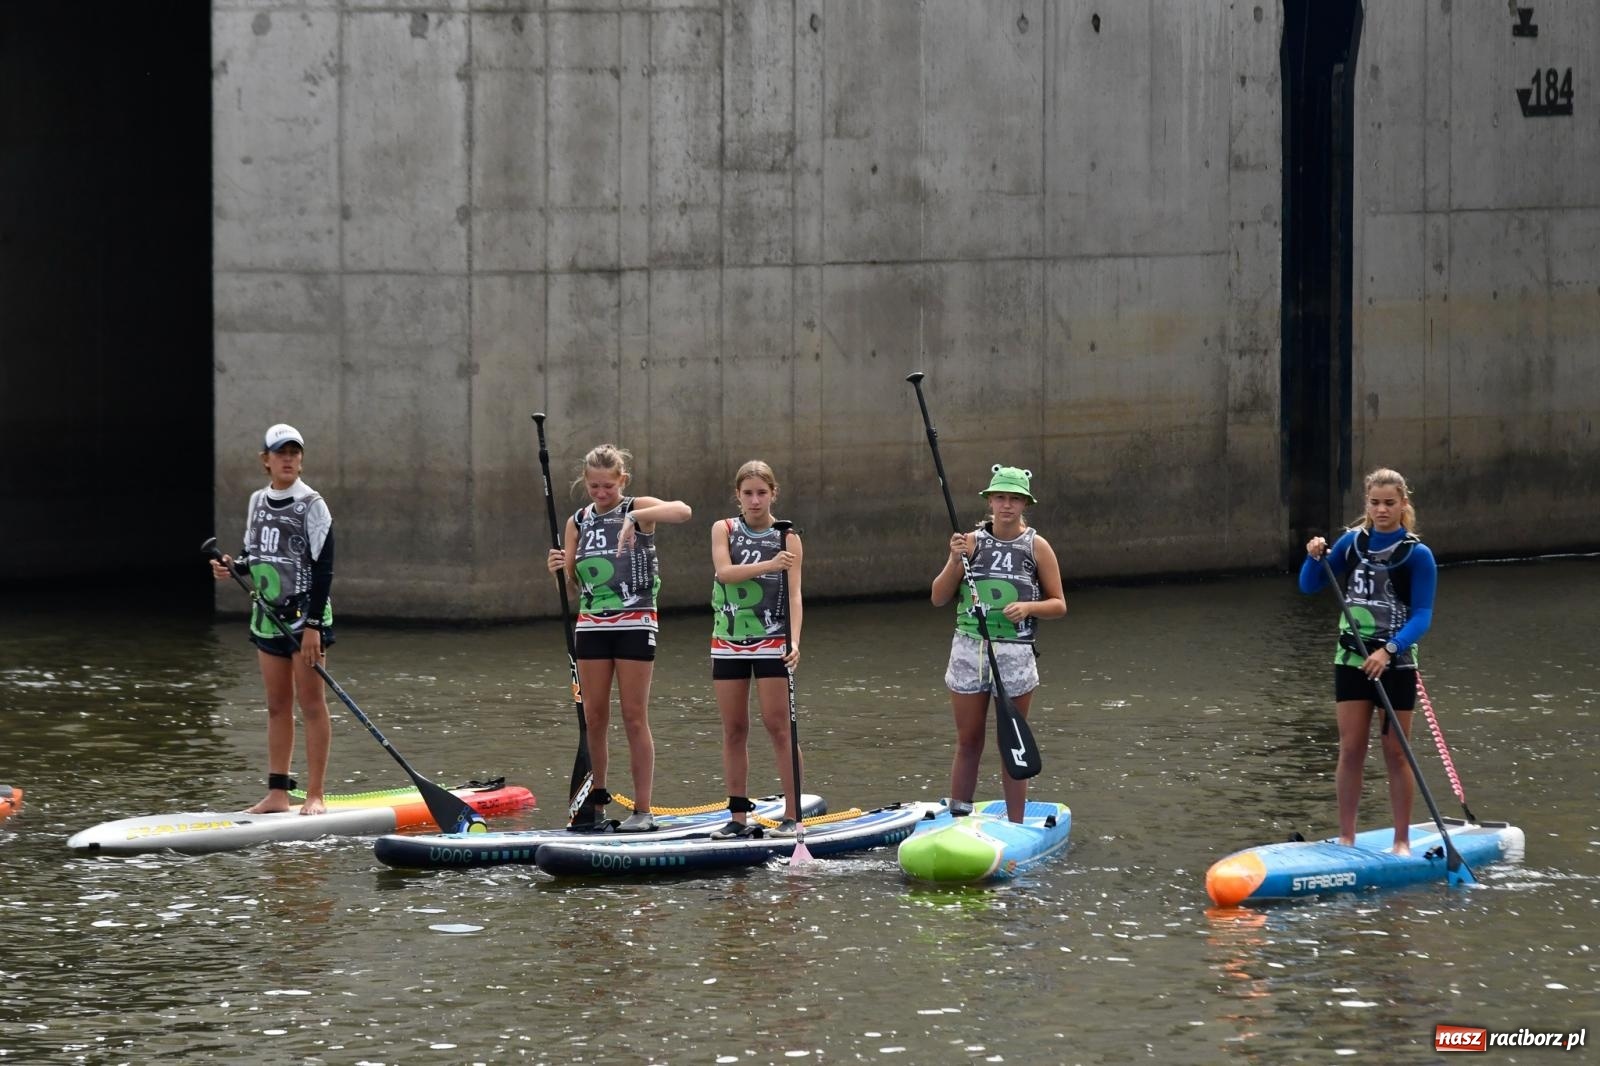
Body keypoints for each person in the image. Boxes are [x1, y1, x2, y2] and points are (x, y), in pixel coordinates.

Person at [547, 444, 692, 832]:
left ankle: (642, 810)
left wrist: (637, 516)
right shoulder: (577, 520)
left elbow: (683, 510)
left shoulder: (636, 508)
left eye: (608, 486)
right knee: (594, 717)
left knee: (633, 716)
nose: (600, 493)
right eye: (594, 486)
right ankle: (596, 802)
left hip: (636, 623)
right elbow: (575, 584)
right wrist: (560, 568)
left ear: (621, 481)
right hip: (592, 625)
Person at [1300, 467, 1436, 855]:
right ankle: (1346, 836)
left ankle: (1401, 841)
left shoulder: (1417, 555)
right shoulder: (1351, 544)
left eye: (1389, 503)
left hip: (1396, 661)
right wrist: (1314, 557)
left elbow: (1422, 616)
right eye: (1375, 503)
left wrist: (1388, 650)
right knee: (1351, 748)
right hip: (1350, 658)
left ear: (1403, 505)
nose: (1381, 510)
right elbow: (1309, 586)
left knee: (1395, 751)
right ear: (1367, 504)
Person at [209, 423, 336, 816]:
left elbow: (324, 567)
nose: (288, 459)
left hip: (304, 619)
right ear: (265, 460)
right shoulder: (256, 501)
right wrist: (233, 566)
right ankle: (278, 794)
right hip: (267, 617)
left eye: (294, 452)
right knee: (276, 706)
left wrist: (314, 624)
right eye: (280, 452)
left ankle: (315, 794)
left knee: (311, 704)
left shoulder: (312, 503)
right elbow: (253, 554)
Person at [930, 466, 1066, 823]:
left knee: (1011, 741)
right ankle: (958, 816)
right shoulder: (970, 542)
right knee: (969, 739)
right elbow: (938, 597)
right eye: (1001, 498)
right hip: (969, 649)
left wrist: (1029, 607)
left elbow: (1059, 604)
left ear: (1025, 504)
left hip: (1015, 652)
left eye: (1015, 499)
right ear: (990, 501)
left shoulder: (1037, 546)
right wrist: (952, 559)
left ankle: (1017, 823)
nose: (1007, 505)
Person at [707, 461, 804, 839]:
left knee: (779, 727)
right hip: (728, 641)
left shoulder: (788, 538)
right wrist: (769, 564)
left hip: (772, 642)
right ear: (738, 496)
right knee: (734, 729)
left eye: (762, 492)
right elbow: (724, 573)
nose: (755, 500)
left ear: (773, 494)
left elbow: (794, 593)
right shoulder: (724, 529)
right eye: (747, 493)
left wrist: (794, 640)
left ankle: (794, 815)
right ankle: (737, 817)